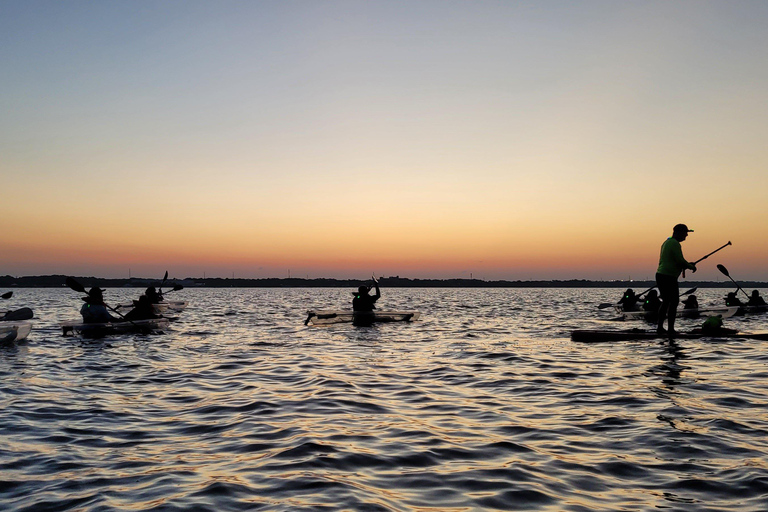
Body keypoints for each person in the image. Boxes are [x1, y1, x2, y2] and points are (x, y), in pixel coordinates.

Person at [656, 224, 696, 337]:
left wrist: (686, 265)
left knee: (666, 302)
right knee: (673, 302)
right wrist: (691, 266)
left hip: (661, 275)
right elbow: (680, 260)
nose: (687, 235)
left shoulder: (667, 242)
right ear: (679, 232)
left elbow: (675, 261)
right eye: (685, 233)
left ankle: (660, 328)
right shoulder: (675, 243)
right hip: (668, 277)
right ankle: (670, 330)